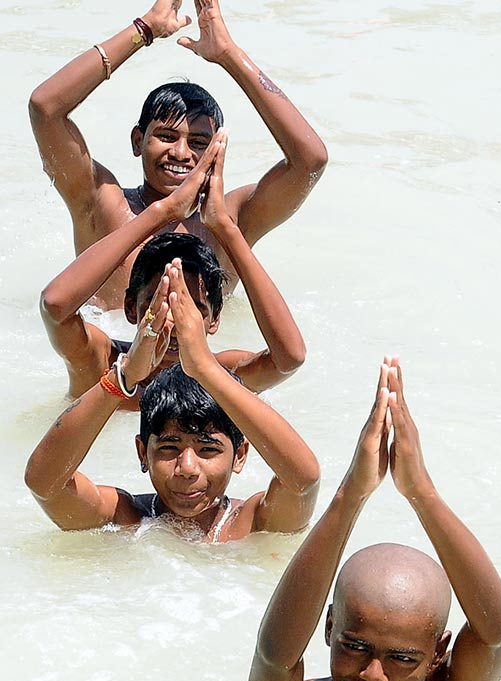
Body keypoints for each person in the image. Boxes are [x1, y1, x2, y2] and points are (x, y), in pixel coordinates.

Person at [243, 360, 501, 681]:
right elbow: (275, 658)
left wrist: (422, 492)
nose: (374, 674)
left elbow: (497, 632)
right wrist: (349, 496)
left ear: (438, 653)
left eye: (403, 658)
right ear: (328, 627)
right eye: (355, 646)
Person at [29, 0, 328, 310]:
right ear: (137, 141)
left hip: (200, 359)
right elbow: (45, 108)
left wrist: (229, 55)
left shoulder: (230, 220)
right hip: (114, 356)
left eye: (199, 142)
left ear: (217, 150)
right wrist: (142, 30)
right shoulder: (104, 204)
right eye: (167, 136)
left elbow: (310, 161)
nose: (181, 153)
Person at [25, 253, 320, 540]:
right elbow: (45, 484)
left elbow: (303, 481)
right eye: (168, 448)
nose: (187, 468)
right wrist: (123, 376)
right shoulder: (127, 518)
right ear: (143, 453)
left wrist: (206, 368)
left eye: (208, 449)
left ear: (239, 456)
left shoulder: (252, 522)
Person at [41, 130, 306, 408]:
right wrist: (164, 211)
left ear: (215, 320)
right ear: (131, 308)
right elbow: (54, 305)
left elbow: (290, 358)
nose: (174, 325)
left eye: (194, 309)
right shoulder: (101, 364)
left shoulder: (220, 376)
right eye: (161, 306)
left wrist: (225, 228)